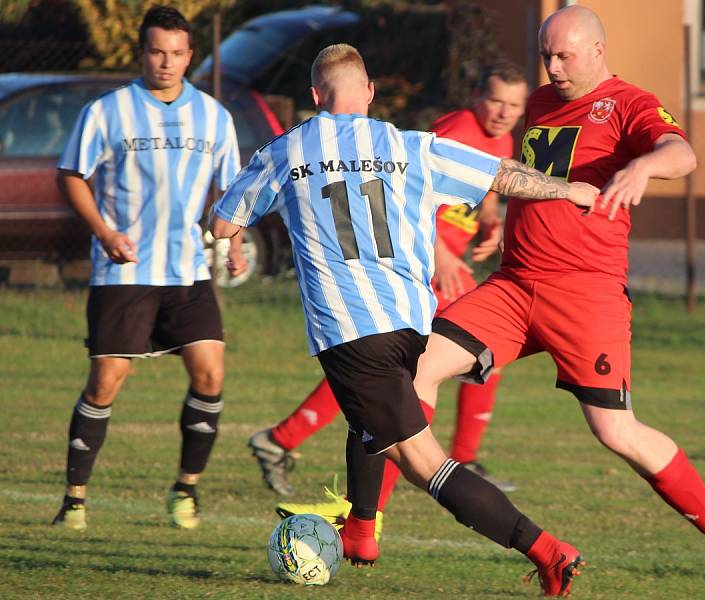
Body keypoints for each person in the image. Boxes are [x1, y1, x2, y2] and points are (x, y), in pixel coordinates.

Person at [211, 43, 598, 596]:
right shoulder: (410, 146)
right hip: (413, 326)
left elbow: (226, 217)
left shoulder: (286, 150)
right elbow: (504, 176)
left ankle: (547, 552)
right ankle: (362, 532)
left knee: (426, 466)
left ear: (316, 97)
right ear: (369, 92)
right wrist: (568, 189)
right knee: (363, 422)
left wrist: (234, 248)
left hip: (350, 334)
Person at [405, 4, 705, 584]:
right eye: (545, 55)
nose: (552, 67)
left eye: (563, 56)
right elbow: (522, 172)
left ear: (598, 50)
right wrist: (498, 219)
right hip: (514, 285)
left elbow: (684, 154)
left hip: (584, 294)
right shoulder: (541, 103)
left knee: (615, 431)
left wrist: (645, 168)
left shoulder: (628, 103)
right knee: (411, 371)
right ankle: (362, 519)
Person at [246, 62, 528, 504]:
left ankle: (289, 441)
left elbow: (483, 194)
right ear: (476, 97)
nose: (503, 113)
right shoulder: (458, 127)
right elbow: (410, 189)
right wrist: (443, 254)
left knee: (402, 367)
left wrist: (490, 222)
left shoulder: (502, 138)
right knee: (393, 367)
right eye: (495, 101)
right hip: (420, 269)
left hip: (444, 272)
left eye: (513, 105)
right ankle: (295, 445)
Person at [51, 5, 245, 532]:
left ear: (190, 57)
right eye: (157, 51)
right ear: (142, 53)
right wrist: (105, 232)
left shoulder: (213, 116)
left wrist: (236, 239)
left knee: (211, 373)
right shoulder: (108, 111)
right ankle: (74, 500)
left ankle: (186, 490)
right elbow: (71, 174)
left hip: (187, 271)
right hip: (126, 271)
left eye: (177, 53)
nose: (167, 62)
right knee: (105, 383)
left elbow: (229, 190)